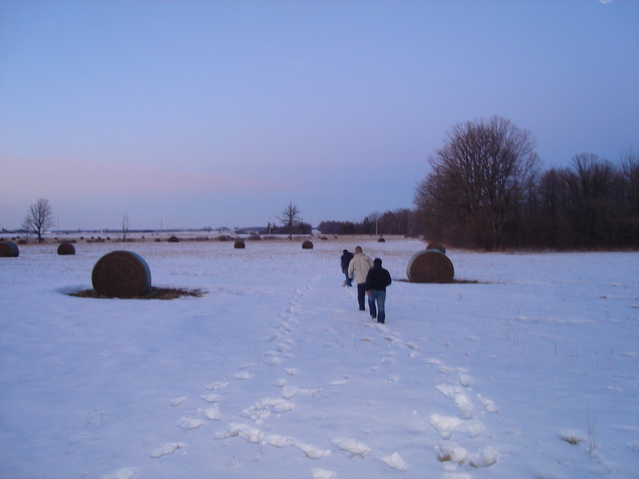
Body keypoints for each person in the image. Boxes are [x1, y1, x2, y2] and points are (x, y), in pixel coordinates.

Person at [365, 258, 392, 323]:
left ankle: (373, 314)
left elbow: (368, 281)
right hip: (382, 291)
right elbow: (389, 281)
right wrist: (383, 285)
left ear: (374, 263)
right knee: (381, 306)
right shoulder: (385, 271)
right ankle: (381, 320)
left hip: (372, 290)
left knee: (371, 301)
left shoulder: (371, 271)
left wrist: (367, 289)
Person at [347, 246, 374, 311]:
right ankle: (372, 307)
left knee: (361, 295)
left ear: (355, 251)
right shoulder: (367, 258)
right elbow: (373, 265)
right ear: (361, 251)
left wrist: (350, 277)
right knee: (370, 294)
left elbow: (350, 270)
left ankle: (362, 307)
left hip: (360, 280)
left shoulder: (353, 260)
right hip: (368, 280)